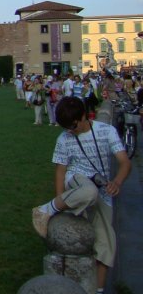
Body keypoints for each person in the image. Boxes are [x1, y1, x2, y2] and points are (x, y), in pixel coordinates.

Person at [32, 96, 131, 293]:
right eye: (66, 126)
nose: (70, 130)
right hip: (77, 179)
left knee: (107, 246)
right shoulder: (64, 138)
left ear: (85, 116)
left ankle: (98, 290)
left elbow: (124, 162)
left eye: (73, 125)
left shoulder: (106, 131)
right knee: (88, 191)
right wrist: (59, 203)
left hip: (102, 192)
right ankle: (45, 209)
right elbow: (61, 171)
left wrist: (117, 182)